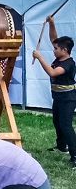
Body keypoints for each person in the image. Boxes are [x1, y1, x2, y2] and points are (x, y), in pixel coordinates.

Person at [32, 14, 76, 166]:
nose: (53, 50)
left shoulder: (68, 64)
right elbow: (54, 38)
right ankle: (61, 147)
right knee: (57, 122)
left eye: (56, 49)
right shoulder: (60, 57)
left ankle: (75, 155)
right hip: (58, 97)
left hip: (68, 98)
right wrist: (52, 23)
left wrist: (39, 57)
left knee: (66, 125)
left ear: (65, 50)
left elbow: (52, 73)